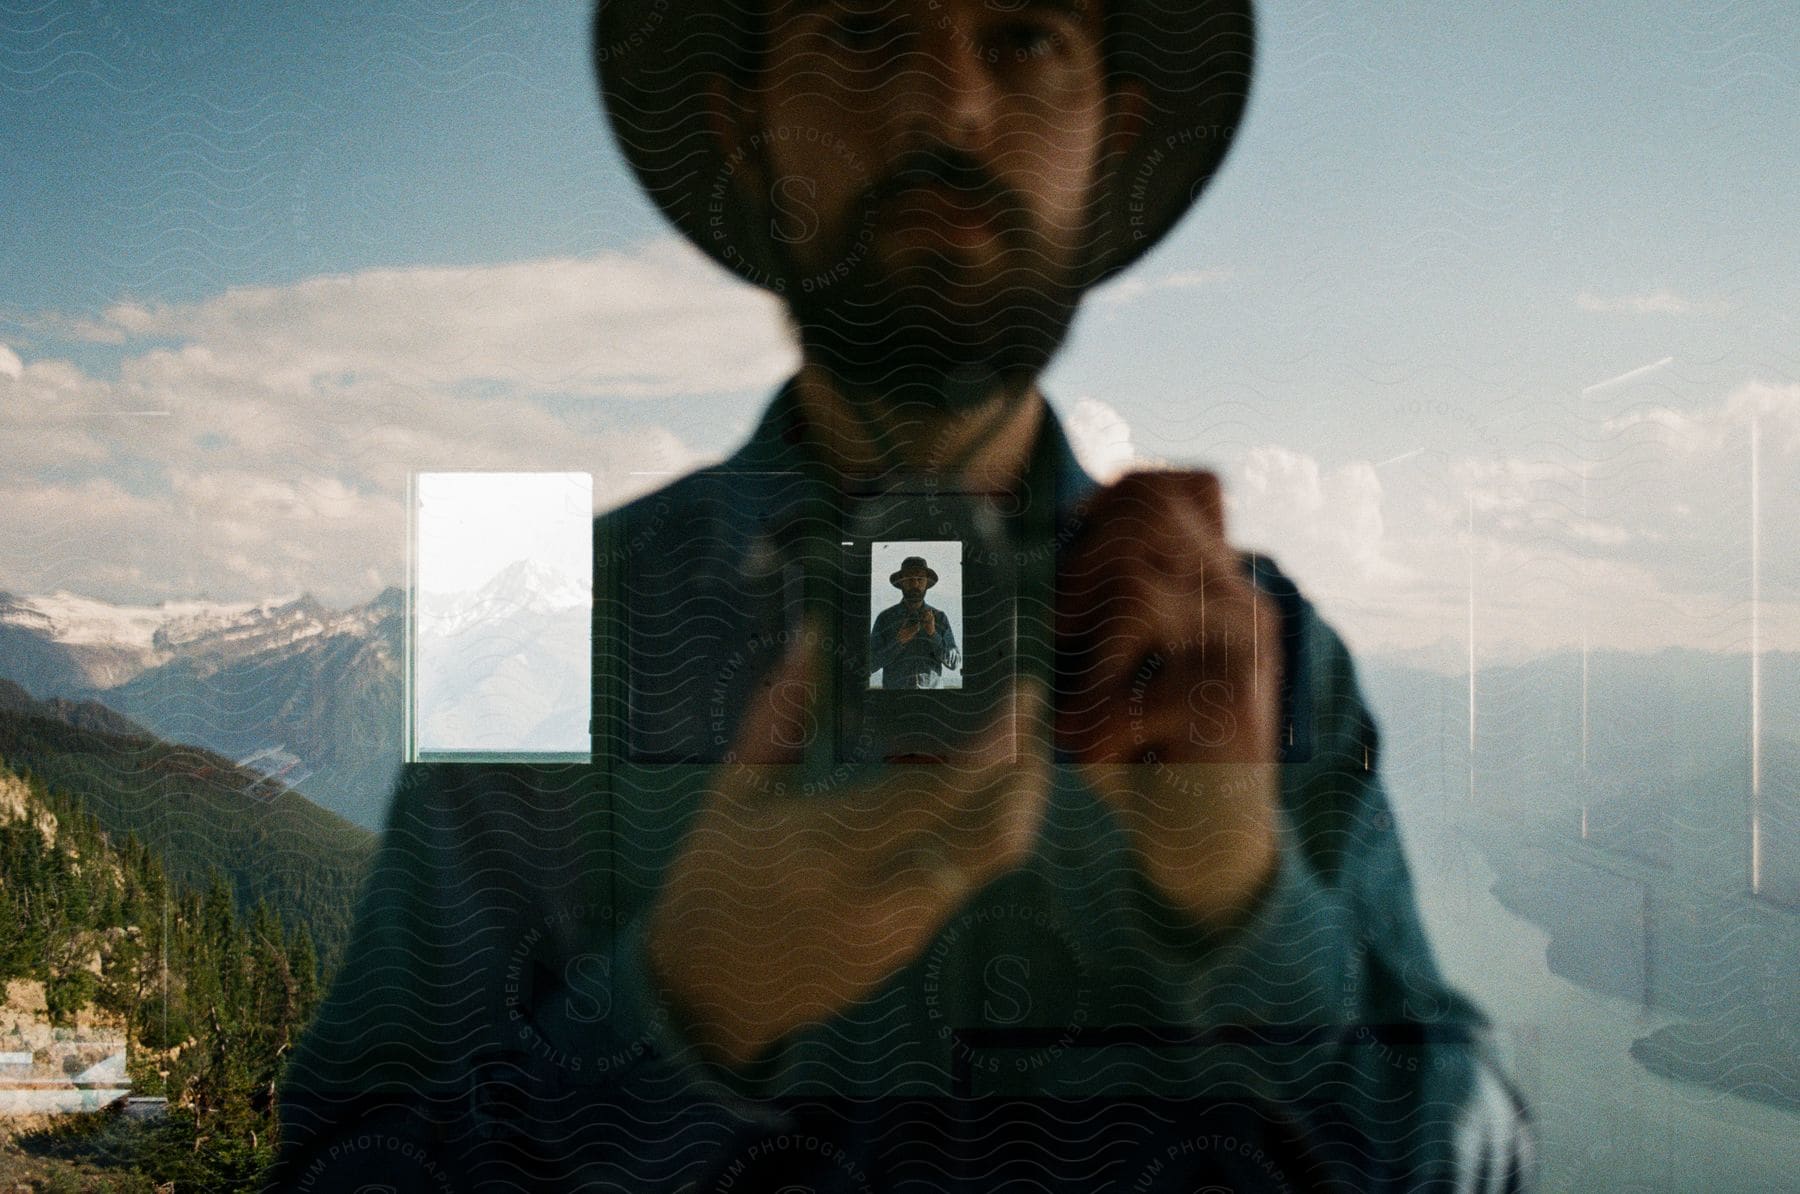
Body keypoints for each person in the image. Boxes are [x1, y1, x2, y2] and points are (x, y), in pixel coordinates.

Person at [272, 1, 1534, 1190]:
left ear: (1117, 137)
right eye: (864, 27)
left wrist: (1239, 891)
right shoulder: (531, 611)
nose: (946, 109)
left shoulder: (1253, 649)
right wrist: (694, 996)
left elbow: (1470, 1159)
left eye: (1028, 35)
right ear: (742, 126)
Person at [869, 555, 960, 689]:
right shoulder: (885, 619)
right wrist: (899, 641)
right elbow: (870, 664)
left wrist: (933, 634)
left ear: (926, 583)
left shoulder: (940, 618)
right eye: (909, 579)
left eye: (920, 579)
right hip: (895, 699)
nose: (915, 584)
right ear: (901, 582)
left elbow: (954, 663)